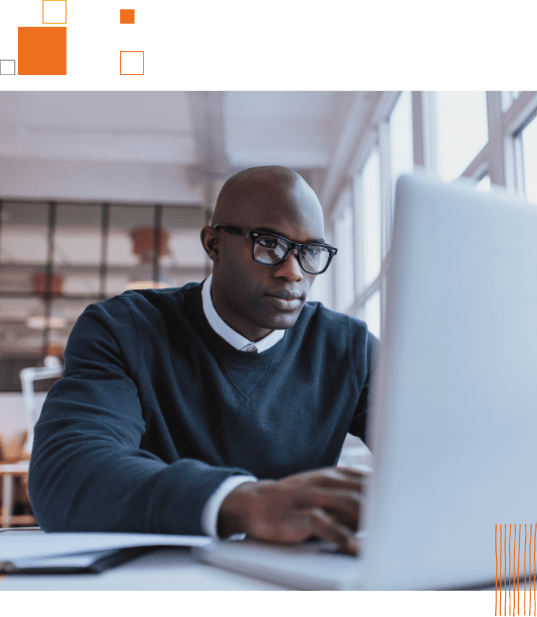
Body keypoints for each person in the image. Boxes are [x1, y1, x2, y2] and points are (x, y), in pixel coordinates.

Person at [28, 166, 379, 555]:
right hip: (161, 576)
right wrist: (245, 502)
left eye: (310, 251)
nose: (293, 272)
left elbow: (440, 454)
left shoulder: (350, 348)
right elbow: (65, 473)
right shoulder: (124, 330)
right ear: (213, 245)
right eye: (269, 244)